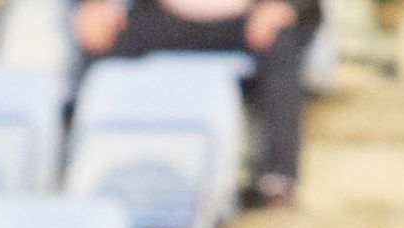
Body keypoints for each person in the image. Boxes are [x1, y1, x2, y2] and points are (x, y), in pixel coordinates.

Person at [72, 0, 317, 206]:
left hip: (248, 21)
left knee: (281, 40)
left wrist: (286, 5)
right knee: (100, 36)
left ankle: (277, 178)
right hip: (163, 17)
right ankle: (75, 165)